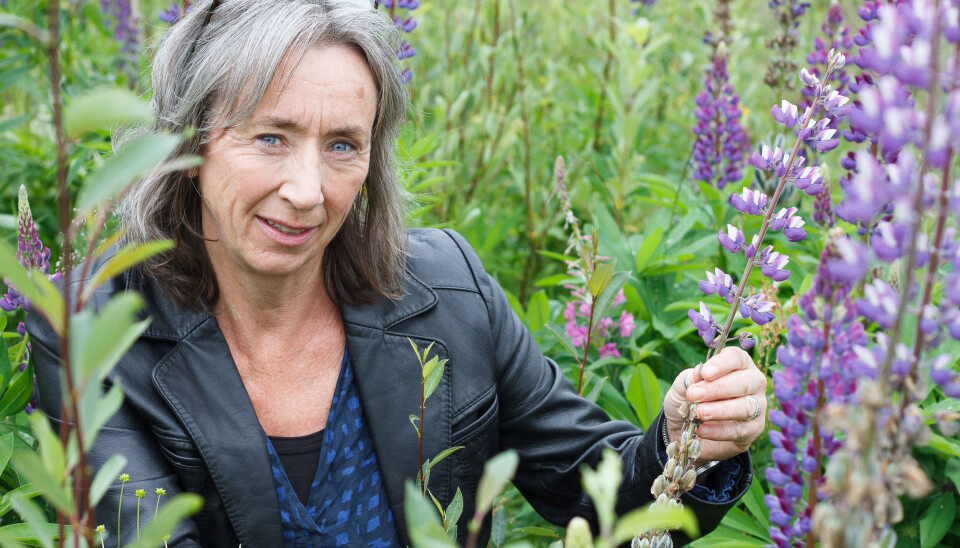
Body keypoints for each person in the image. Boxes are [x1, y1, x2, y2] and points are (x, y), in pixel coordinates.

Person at [27, 0, 767, 546]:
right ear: (188, 147)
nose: (308, 190)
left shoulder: (447, 288)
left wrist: (688, 443)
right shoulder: (91, 327)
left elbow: (601, 494)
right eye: (270, 137)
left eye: (343, 145)